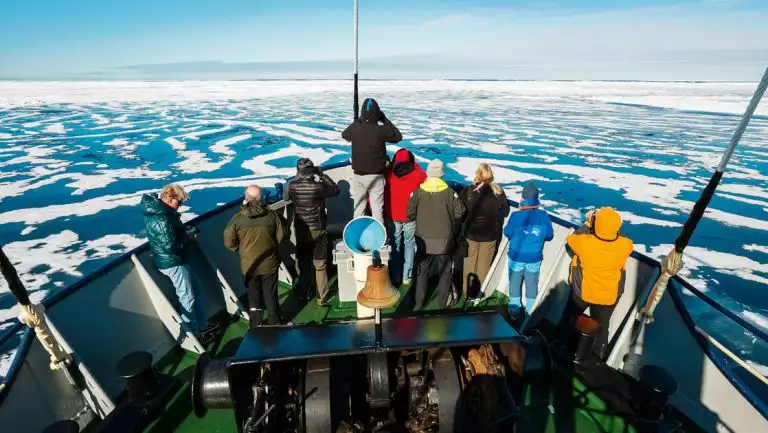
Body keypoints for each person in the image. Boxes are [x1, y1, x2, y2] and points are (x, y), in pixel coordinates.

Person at [141, 184, 218, 343]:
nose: (180, 206)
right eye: (179, 202)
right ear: (169, 198)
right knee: (187, 297)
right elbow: (171, 247)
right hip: (173, 263)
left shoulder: (163, 213)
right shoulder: (163, 218)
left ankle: (202, 324)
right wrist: (188, 238)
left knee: (197, 288)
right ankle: (194, 335)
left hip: (177, 260)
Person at [560, 206, 634, 358]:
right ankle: (597, 358)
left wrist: (588, 222)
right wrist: (610, 227)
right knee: (602, 328)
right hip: (608, 297)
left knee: (569, 317)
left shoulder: (585, 243)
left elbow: (572, 238)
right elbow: (623, 237)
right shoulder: (625, 246)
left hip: (582, 294)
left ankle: (560, 346)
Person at [224, 185, 289, 327]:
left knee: (253, 296)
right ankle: (275, 321)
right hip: (269, 264)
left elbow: (229, 243)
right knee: (270, 294)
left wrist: (242, 249)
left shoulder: (237, 219)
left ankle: (256, 324)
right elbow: (281, 237)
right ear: (260, 199)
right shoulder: (272, 216)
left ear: (246, 198)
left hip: (249, 266)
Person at [407, 159, 466, 309]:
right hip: (444, 240)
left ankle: (419, 302)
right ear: (441, 174)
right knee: (445, 273)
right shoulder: (449, 192)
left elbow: (410, 213)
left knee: (421, 272)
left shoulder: (418, 191)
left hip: (423, 240)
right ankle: (442, 304)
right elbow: (460, 212)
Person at [284, 158, 340, 305]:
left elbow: (286, 198)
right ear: (311, 170)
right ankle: (322, 297)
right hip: (318, 229)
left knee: (303, 262)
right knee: (319, 264)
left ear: (298, 171)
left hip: (302, 230)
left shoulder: (291, 186)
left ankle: (304, 291)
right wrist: (322, 175)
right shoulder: (319, 187)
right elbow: (335, 189)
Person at [342, 98, 403, 223]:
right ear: (377, 114)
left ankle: (357, 235)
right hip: (376, 176)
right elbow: (398, 136)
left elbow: (345, 135)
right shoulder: (380, 130)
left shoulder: (355, 127)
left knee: (359, 208)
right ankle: (378, 239)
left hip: (358, 175)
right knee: (377, 210)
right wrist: (384, 119)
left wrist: (359, 121)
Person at [460, 163, 510, 299]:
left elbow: (460, 209)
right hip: (490, 234)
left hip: (471, 232)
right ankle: (478, 293)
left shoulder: (469, 190)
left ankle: (467, 292)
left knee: (469, 262)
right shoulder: (498, 192)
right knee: (484, 264)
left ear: (478, 174)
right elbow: (505, 211)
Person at [503, 182, 554, 316]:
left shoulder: (516, 216)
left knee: (514, 282)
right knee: (532, 284)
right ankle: (530, 312)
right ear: (537, 199)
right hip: (534, 258)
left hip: (516, 257)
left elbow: (507, 232)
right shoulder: (543, 216)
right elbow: (549, 235)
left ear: (523, 198)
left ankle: (514, 310)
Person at [385, 148, 427, 286]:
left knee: (395, 244)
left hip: (393, 215)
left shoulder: (389, 174)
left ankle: (395, 275)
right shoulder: (418, 174)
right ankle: (407, 277)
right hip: (411, 216)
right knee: (409, 244)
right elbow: (424, 178)